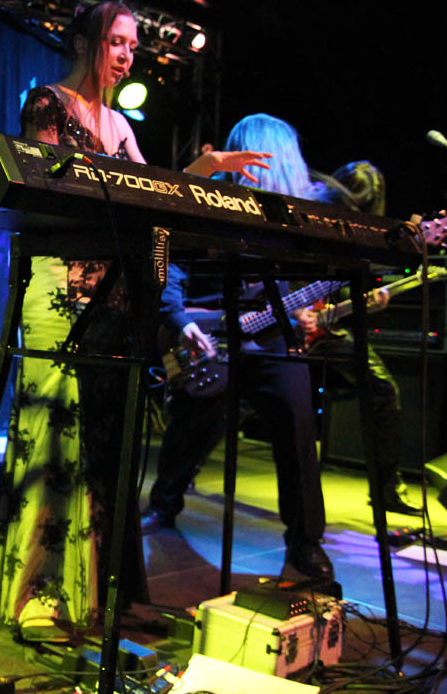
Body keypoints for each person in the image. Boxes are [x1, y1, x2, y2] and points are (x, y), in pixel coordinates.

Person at [0, 1, 270, 640]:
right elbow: (52, 196)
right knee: (57, 440)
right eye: (116, 42)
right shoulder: (47, 104)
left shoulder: (119, 123)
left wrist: (199, 175)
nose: (126, 56)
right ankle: (42, 597)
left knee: (109, 450)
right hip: (61, 290)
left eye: (133, 46)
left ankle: (107, 592)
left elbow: (146, 199)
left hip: (114, 297)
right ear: (84, 43)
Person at [139, 113, 335, 581]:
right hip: (212, 332)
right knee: (191, 423)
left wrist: (308, 311)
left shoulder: (301, 211)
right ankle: (164, 504)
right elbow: (171, 265)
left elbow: (315, 276)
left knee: (297, 430)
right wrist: (181, 320)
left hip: (273, 336)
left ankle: (306, 541)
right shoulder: (207, 204)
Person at [305, 161, 423, 515]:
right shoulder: (314, 212)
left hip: (325, 330)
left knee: (383, 390)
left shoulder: (357, 233)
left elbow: (336, 295)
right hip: (289, 320)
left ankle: (386, 490)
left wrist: (364, 304)